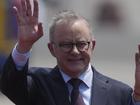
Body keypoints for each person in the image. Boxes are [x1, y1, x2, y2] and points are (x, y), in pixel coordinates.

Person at [1, 0, 140, 105]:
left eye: (81, 44)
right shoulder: (37, 84)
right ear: (52, 49)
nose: (74, 51)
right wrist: (24, 45)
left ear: (92, 45)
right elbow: (10, 85)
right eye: (66, 45)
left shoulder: (119, 94)